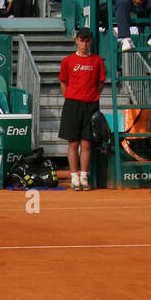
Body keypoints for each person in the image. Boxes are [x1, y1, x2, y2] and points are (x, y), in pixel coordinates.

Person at [58, 28, 106, 191]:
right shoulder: (68, 61)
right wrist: (71, 97)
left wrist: (92, 97)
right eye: (82, 40)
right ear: (76, 40)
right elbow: (63, 82)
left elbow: (100, 83)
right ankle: (74, 177)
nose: (84, 44)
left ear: (90, 41)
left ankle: (84, 176)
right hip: (73, 105)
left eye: (87, 40)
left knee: (86, 143)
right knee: (73, 143)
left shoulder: (97, 60)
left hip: (91, 105)